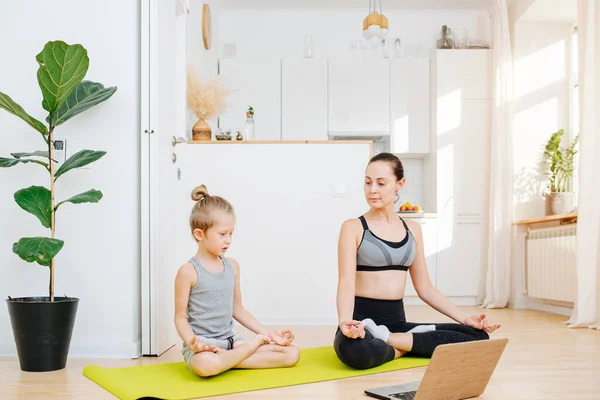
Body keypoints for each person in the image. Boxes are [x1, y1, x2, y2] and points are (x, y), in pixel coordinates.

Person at [333, 153, 501, 369]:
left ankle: (390, 339)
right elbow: (346, 282)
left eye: (381, 183)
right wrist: (345, 323)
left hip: (397, 324)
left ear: (399, 184)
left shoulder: (412, 230)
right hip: (361, 323)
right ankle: (408, 344)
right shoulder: (353, 227)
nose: (372, 189)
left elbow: (426, 289)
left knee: (476, 336)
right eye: (368, 182)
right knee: (361, 352)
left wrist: (465, 318)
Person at [174, 184, 300, 377]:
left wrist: (270, 335)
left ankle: (228, 360)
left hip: (232, 342)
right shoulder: (188, 271)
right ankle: (238, 355)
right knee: (204, 365)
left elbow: (237, 309)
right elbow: (180, 318)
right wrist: (192, 342)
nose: (228, 240)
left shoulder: (233, 266)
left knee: (292, 354)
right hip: (204, 346)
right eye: (222, 234)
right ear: (200, 234)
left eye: (231, 233)